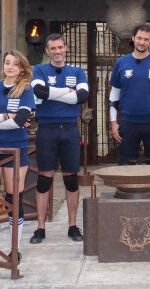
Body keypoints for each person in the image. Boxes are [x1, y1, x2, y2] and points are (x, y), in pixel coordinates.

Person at [29, 33, 89, 244]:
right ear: (47, 50)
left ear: (66, 48)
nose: (57, 52)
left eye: (60, 47)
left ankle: (72, 226)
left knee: (71, 179)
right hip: (47, 129)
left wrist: (52, 92)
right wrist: (67, 93)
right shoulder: (39, 69)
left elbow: (82, 97)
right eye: (53, 48)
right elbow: (38, 91)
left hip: (70, 130)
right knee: (44, 179)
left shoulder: (78, 71)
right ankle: (40, 228)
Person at [109, 23, 150, 165]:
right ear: (133, 38)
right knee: (126, 165)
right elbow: (114, 96)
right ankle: (126, 189)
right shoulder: (121, 62)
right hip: (129, 122)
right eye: (139, 38)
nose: (142, 42)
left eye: (146, 39)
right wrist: (113, 122)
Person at [0, 50, 36, 263]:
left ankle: (15, 248)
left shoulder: (25, 89)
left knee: (15, 197)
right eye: (7, 62)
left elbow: (22, 118)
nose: (10, 66)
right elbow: (13, 119)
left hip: (16, 148)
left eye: (15, 63)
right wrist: (7, 116)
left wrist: (15, 118)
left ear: (22, 68)